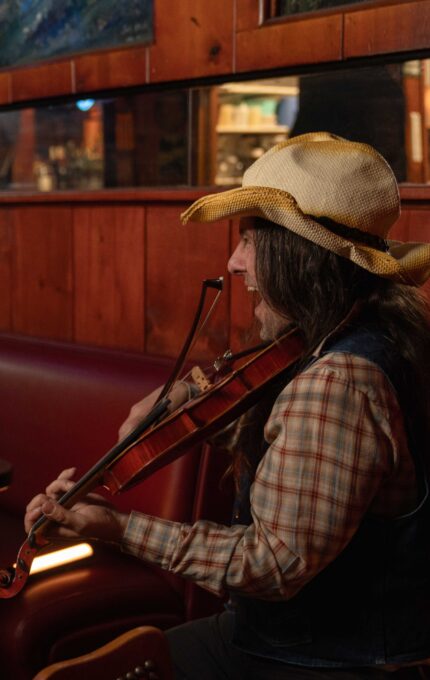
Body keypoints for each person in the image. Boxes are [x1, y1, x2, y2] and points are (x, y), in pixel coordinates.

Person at [25, 132, 430, 679]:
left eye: (250, 239)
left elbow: (272, 563)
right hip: (290, 640)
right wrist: (185, 391)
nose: (234, 262)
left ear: (301, 257)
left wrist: (115, 528)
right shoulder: (356, 330)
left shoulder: (338, 381)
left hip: (327, 659)